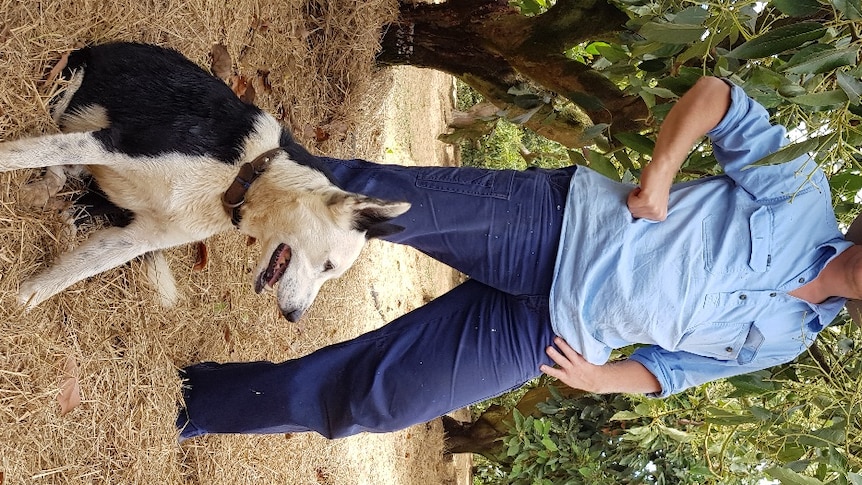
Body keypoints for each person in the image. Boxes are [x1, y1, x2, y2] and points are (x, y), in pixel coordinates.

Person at [177, 76, 862, 440]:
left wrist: (600, 378)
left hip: (554, 334)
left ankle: (194, 401)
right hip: (552, 225)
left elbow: (674, 370)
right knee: (353, 197)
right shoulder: (803, 192)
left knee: (377, 400)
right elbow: (719, 99)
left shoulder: (790, 340)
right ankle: (175, 144)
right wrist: (659, 174)